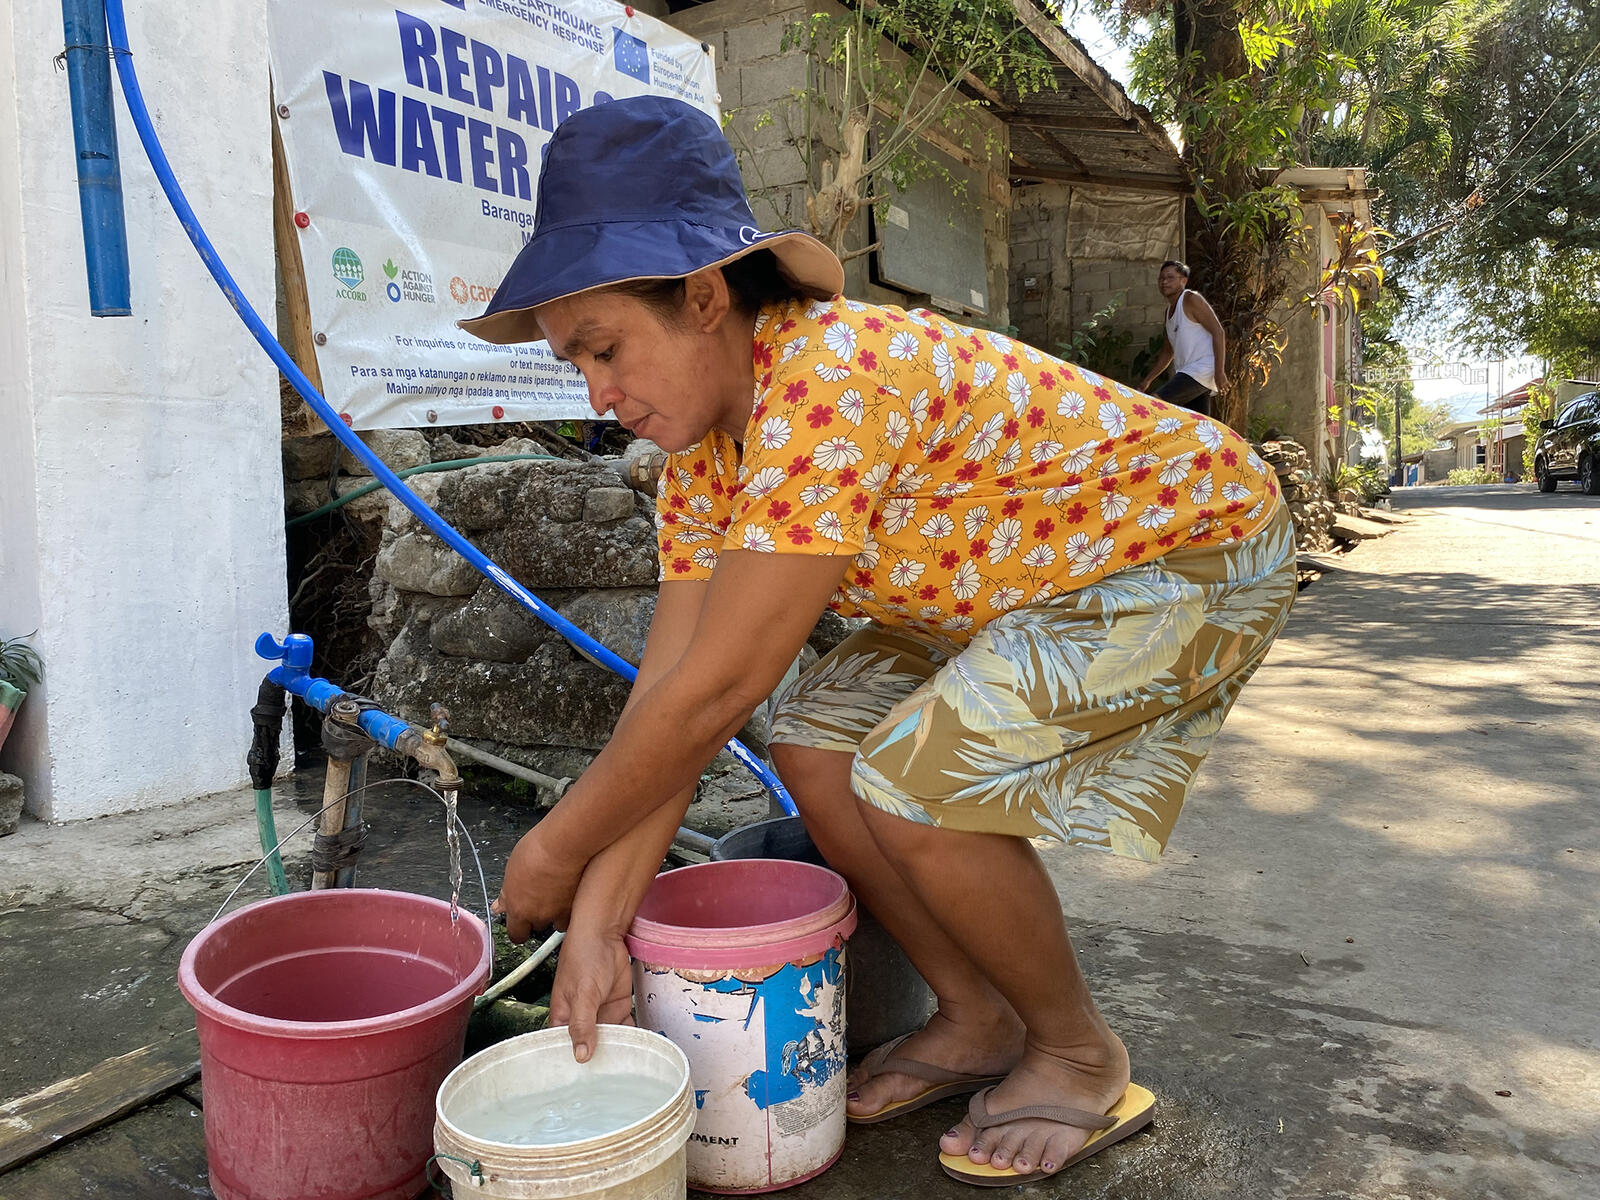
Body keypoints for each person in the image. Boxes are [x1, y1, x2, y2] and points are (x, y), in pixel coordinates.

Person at [462, 96, 1295, 1187]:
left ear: (705, 298)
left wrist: (554, 852)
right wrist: (593, 930)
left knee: (915, 780)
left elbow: (715, 694)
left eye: (604, 347)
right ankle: (978, 1018)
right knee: (815, 748)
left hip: (1189, 546)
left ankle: (1079, 1053)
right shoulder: (705, 457)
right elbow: (670, 695)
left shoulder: (829, 375)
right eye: (574, 364)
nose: (597, 391)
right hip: (1006, 590)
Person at [1139, 260, 1229, 417]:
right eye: (1161, 278)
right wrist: (1148, 380)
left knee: (1156, 403)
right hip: (1189, 373)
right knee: (1198, 427)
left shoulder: (1191, 299)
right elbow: (1167, 353)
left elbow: (1218, 332)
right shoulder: (1168, 313)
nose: (1164, 282)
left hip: (1202, 369)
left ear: (1183, 281)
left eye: (1170, 277)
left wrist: (1219, 372)